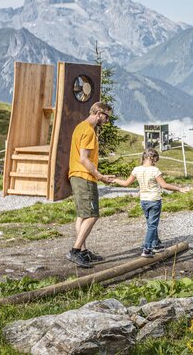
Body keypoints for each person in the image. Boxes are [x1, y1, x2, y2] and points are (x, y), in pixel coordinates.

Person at [67, 101, 117, 268]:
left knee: (82, 215)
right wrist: (99, 176)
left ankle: (83, 251)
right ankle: (75, 251)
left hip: (76, 175)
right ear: (98, 113)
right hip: (85, 177)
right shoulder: (88, 131)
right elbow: (84, 158)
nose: (107, 120)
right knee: (92, 214)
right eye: (106, 116)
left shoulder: (80, 127)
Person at [114, 148, 191, 257]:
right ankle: (147, 249)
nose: (155, 162)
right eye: (155, 160)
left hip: (143, 201)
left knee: (150, 224)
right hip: (154, 200)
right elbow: (164, 185)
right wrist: (179, 189)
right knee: (152, 226)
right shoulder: (154, 170)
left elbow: (126, 183)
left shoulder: (136, 169)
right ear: (151, 158)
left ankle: (155, 244)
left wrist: (115, 180)